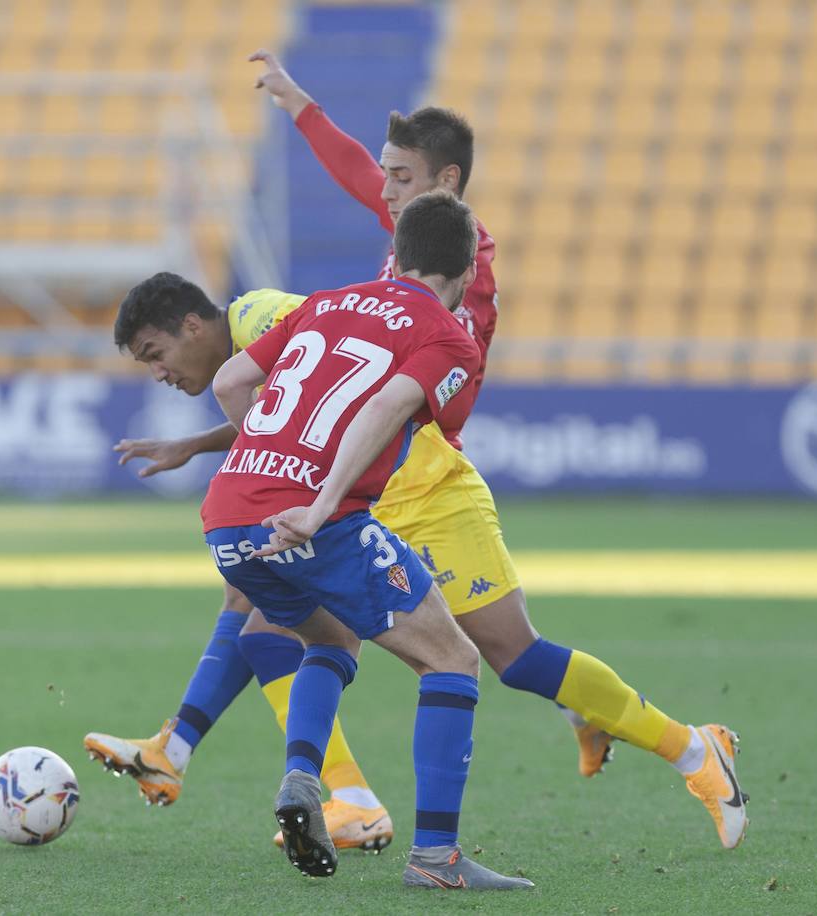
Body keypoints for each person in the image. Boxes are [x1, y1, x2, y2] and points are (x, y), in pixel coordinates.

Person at [87, 57, 749, 852]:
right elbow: (353, 181)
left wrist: (321, 464)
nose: (385, 188)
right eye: (388, 176)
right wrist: (299, 104)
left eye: (401, 177)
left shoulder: (465, 274)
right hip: (363, 481)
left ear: (447, 184)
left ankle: (689, 746)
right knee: (260, 615)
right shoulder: (410, 243)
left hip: (427, 482)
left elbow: (432, 398)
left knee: (511, 655)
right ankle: (319, 789)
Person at [205, 190, 530, 888]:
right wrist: (320, 503)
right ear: (467, 270)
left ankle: (302, 776)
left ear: (398, 253)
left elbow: (231, 378)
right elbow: (388, 404)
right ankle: (437, 859)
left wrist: (268, 455)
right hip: (316, 521)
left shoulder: (324, 301)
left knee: (329, 639)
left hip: (228, 513)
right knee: (451, 659)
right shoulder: (448, 334)